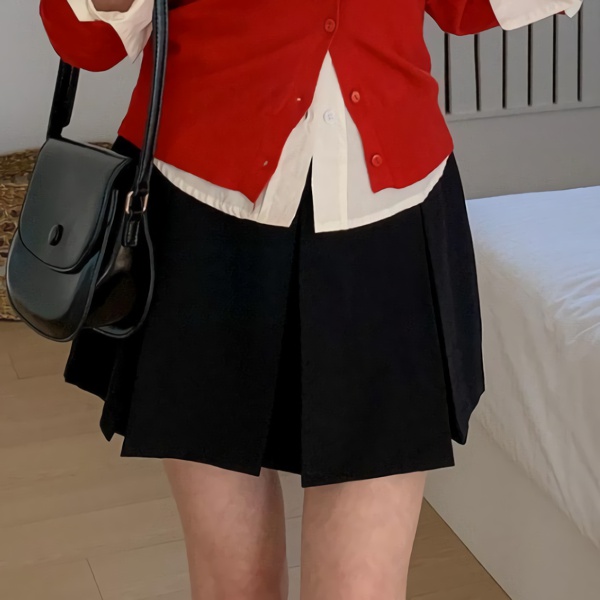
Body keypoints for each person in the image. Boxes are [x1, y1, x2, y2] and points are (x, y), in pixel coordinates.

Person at [39, 1, 582, 598]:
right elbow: (89, 41)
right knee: (234, 582)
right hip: (199, 217)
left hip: (390, 223)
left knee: (362, 587)